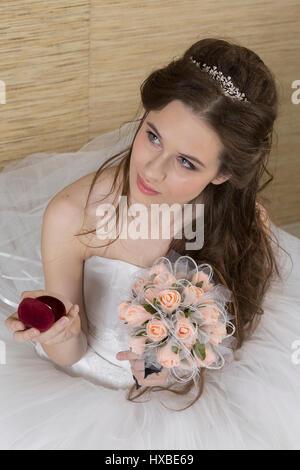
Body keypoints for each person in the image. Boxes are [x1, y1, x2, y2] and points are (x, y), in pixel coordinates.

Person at [0, 37, 300, 450]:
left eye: (186, 162)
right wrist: (59, 335)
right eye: (153, 135)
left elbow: (237, 325)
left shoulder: (241, 222)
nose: (153, 171)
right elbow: (72, 352)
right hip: (91, 407)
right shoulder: (74, 216)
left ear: (222, 175)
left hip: (195, 405)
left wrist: (178, 358)